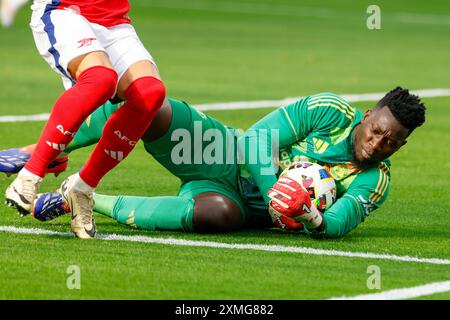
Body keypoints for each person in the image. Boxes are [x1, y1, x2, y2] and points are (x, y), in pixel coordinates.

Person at [1, 87, 426, 238]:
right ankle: (41, 154)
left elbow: (340, 224)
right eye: (378, 131)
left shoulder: (375, 180)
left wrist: (312, 216)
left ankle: (83, 195)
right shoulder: (330, 110)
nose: (378, 144)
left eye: (392, 143)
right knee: (154, 107)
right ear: (369, 115)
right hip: (224, 154)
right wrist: (275, 191)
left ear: (401, 146)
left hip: (239, 205)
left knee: (217, 214)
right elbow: (259, 138)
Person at [4, 0, 166, 239]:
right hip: (65, 10)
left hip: (114, 20)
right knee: (100, 79)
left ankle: (82, 188)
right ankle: (29, 175)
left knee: (150, 93)